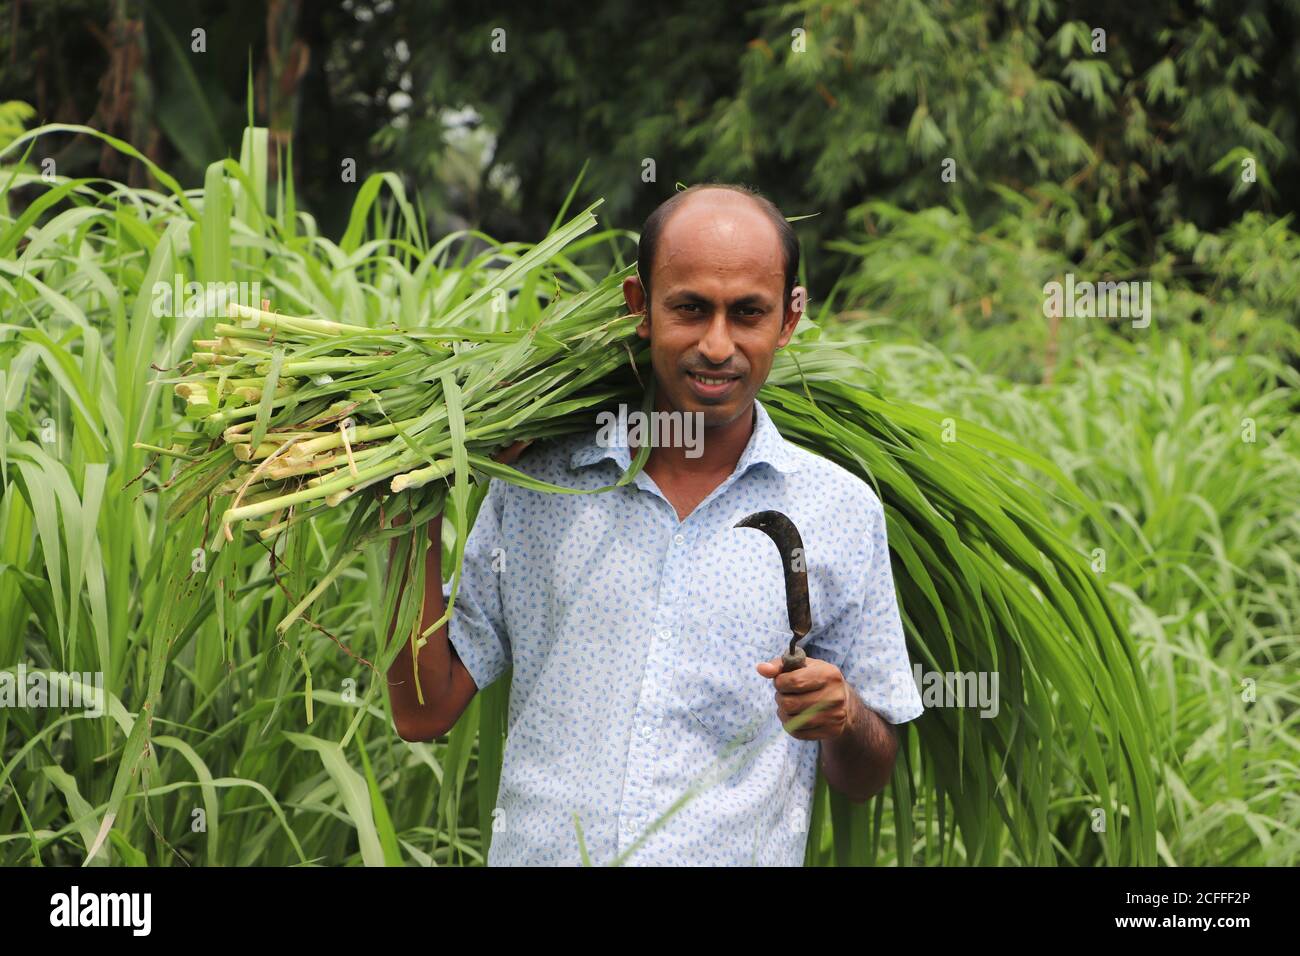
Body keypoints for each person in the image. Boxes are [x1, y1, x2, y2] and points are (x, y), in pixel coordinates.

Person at [386, 183, 924, 865]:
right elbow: (423, 712)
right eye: (691, 309)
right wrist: (411, 501)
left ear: (788, 321)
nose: (717, 344)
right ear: (641, 307)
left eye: (748, 313)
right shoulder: (542, 483)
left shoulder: (838, 511)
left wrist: (842, 716)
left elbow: (865, 776)